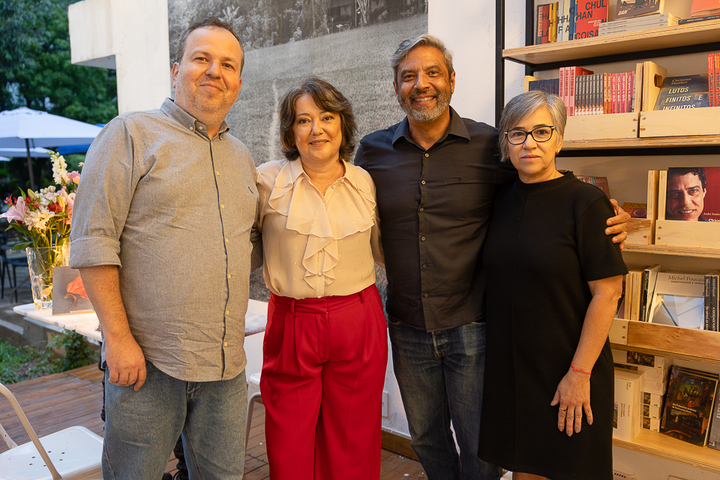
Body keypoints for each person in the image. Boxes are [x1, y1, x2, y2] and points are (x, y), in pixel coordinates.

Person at [354, 34, 629, 480]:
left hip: (473, 327)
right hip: (407, 323)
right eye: (409, 76)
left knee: (481, 445)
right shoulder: (371, 152)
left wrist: (600, 211)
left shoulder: (487, 146)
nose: (421, 84)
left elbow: (542, 185)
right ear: (396, 86)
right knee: (425, 436)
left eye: (432, 73)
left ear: (452, 81)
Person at [69, 17, 257, 480]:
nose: (214, 71)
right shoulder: (129, 135)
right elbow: (93, 243)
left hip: (225, 367)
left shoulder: (242, 157)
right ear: (176, 69)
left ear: (237, 84)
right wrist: (117, 339)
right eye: (202, 58)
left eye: (227, 64)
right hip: (147, 365)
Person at [478, 90, 627, 480]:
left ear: (559, 139)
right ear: (505, 143)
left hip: (571, 368)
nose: (529, 143)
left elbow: (608, 293)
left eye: (542, 132)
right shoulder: (499, 200)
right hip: (515, 373)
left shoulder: (587, 202)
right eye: (517, 133)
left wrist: (579, 373)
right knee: (525, 472)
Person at [253, 77, 387, 479]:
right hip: (292, 322)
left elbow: (382, 252)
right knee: (289, 447)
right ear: (290, 132)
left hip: (358, 320)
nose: (317, 129)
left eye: (327, 117)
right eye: (303, 120)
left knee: (353, 444)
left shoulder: (364, 182)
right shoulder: (266, 182)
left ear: (342, 124)